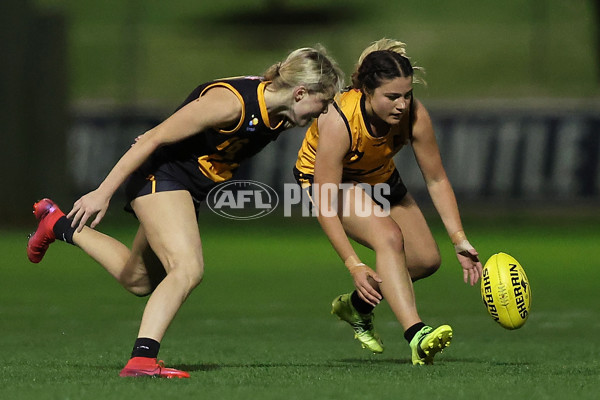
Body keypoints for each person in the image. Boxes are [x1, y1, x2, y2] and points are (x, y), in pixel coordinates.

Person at [27, 46, 344, 378]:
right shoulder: (230, 104)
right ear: (300, 92)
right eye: (321, 103)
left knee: (136, 280)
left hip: (186, 189)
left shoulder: (280, 110)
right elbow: (151, 139)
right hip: (162, 178)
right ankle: (142, 361)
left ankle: (58, 225)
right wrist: (102, 193)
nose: (321, 113)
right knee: (187, 268)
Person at [293, 39, 482, 365]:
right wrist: (353, 263)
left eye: (406, 95)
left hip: (378, 175)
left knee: (425, 260)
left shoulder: (415, 116)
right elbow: (325, 202)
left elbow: (436, 179)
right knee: (389, 237)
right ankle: (417, 335)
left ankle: (357, 306)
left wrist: (459, 238)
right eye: (392, 97)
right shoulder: (339, 121)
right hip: (330, 182)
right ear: (366, 91)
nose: (402, 104)